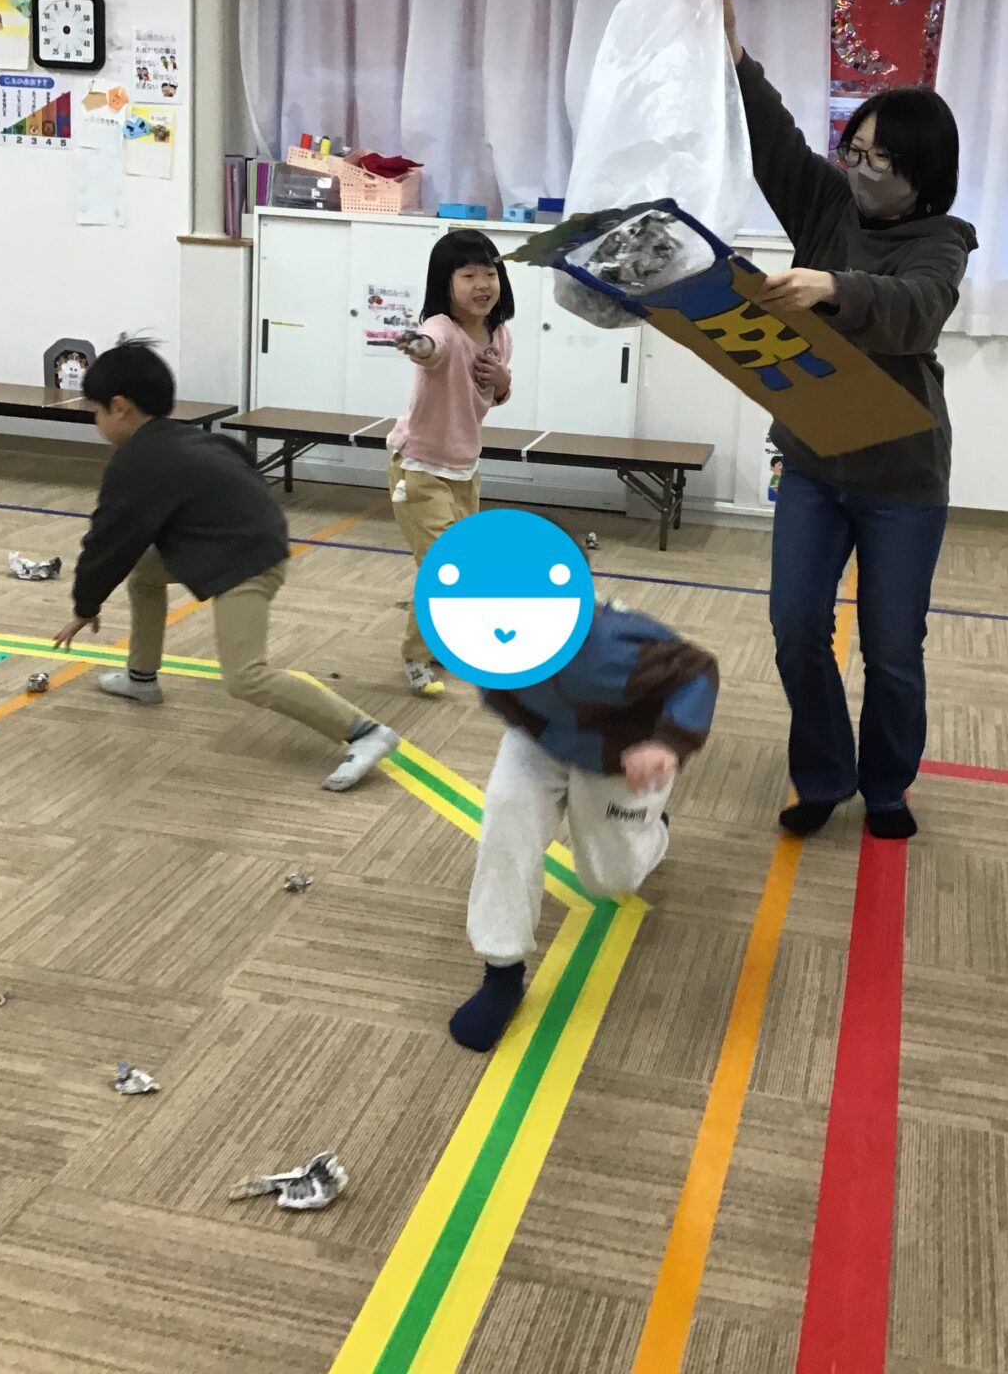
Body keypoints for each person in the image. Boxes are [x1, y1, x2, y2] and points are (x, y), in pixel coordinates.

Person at [724, 0, 977, 841]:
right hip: (813, 461)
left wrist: (832, 286)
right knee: (796, 627)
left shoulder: (943, 241)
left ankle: (888, 785)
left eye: (881, 161)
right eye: (855, 151)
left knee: (893, 649)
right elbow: (773, 139)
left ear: (923, 175)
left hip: (902, 477)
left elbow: (915, 312)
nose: (861, 170)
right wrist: (735, 53)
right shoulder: (826, 205)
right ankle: (824, 774)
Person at [51, 336, 398, 792]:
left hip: (247, 561)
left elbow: (106, 541)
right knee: (145, 573)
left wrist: (85, 605)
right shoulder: (185, 436)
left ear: (119, 407)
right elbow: (239, 459)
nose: (95, 422)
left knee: (246, 677)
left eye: (95, 412)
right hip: (240, 540)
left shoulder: (136, 461)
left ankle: (366, 732)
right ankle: (141, 678)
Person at [449, 599, 719, 1053]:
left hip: (622, 756)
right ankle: (502, 973)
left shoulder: (617, 645)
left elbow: (699, 671)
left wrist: (668, 743)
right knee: (506, 819)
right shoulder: (478, 631)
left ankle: (654, 830)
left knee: (610, 880)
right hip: (540, 739)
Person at [388, 230, 514, 697]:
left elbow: (495, 395)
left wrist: (502, 378)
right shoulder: (442, 327)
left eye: (490, 274)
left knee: (464, 565)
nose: (482, 285)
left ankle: (438, 642)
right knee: (445, 567)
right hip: (420, 469)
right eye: (468, 276)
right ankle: (415, 656)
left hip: (464, 469)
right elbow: (431, 347)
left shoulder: (500, 334)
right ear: (446, 283)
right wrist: (416, 344)